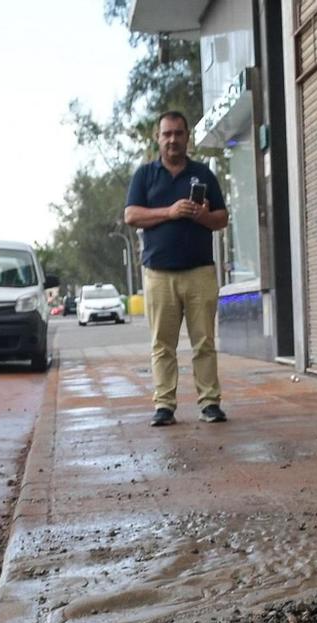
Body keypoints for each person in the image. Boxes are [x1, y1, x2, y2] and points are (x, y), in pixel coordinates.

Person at [123, 109, 228, 427]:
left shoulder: (204, 175)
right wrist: (169, 212)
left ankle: (210, 403)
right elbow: (131, 216)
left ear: (187, 137)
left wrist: (202, 217)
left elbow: (221, 219)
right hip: (158, 274)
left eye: (178, 134)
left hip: (200, 272)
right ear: (158, 138)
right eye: (166, 134)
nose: (172, 140)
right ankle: (164, 405)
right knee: (162, 344)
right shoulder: (144, 175)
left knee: (204, 342)